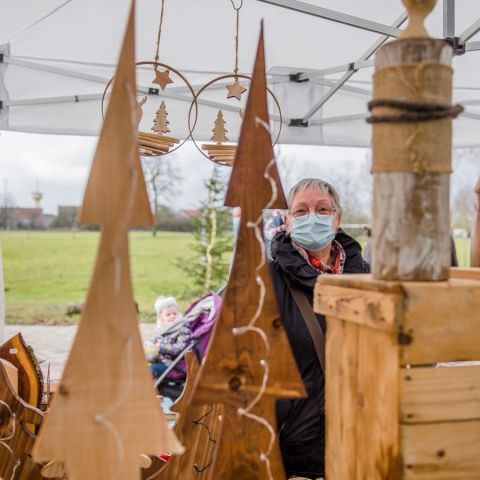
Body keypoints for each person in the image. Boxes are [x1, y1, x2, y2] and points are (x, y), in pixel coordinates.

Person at [269, 178, 370, 480]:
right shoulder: (265, 280)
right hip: (293, 451)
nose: (312, 217)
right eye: (300, 211)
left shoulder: (366, 279)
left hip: (357, 442)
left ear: (337, 219)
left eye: (322, 209)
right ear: (287, 222)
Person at [145, 296, 192, 379]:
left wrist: (161, 347)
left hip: (173, 364)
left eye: (175, 313)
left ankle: (148, 389)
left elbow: (179, 349)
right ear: (161, 318)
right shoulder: (162, 330)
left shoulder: (183, 329)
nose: (172, 316)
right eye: (168, 315)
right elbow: (158, 344)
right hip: (160, 360)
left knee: (148, 371)